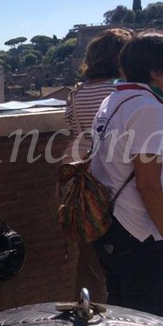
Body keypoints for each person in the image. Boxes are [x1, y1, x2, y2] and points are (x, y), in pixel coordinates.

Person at [91, 30, 163, 319]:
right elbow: (149, 186)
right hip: (140, 237)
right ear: (155, 70)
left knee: (123, 320)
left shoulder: (114, 101)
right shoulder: (146, 110)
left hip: (112, 227)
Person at [64, 28, 132, 302]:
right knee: (123, 263)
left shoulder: (77, 93)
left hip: (85, 184)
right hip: (117, 184)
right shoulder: (122, 91)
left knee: (90, 260)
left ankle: (86, 312)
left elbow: (74, 132)